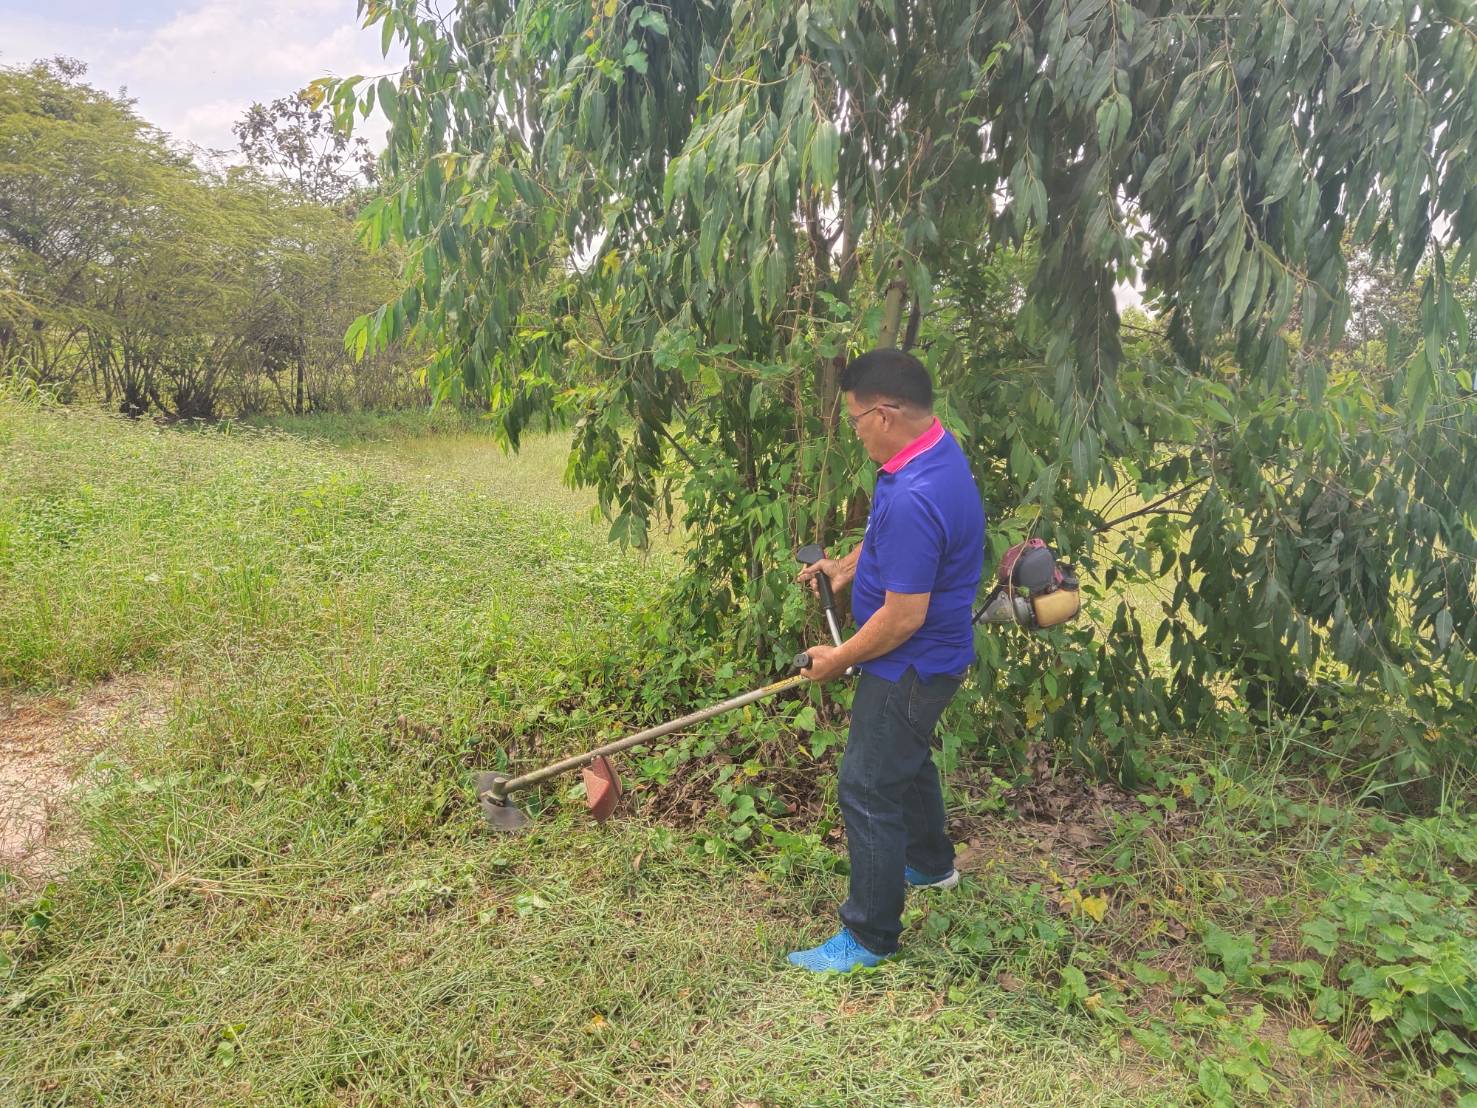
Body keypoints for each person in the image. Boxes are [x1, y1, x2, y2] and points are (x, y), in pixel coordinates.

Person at [788, 348, 985, 973]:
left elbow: (903, 617)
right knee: (907, 754)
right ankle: (930, 865)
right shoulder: (933, 453)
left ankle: (870, 936)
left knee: (867, 785)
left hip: (910, 664)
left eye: (854, 420)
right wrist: (846, 568)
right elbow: (893, 540)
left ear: (884, 414)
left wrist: (837, 658)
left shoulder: (914, 495)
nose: (854, 432)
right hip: (936, 658)